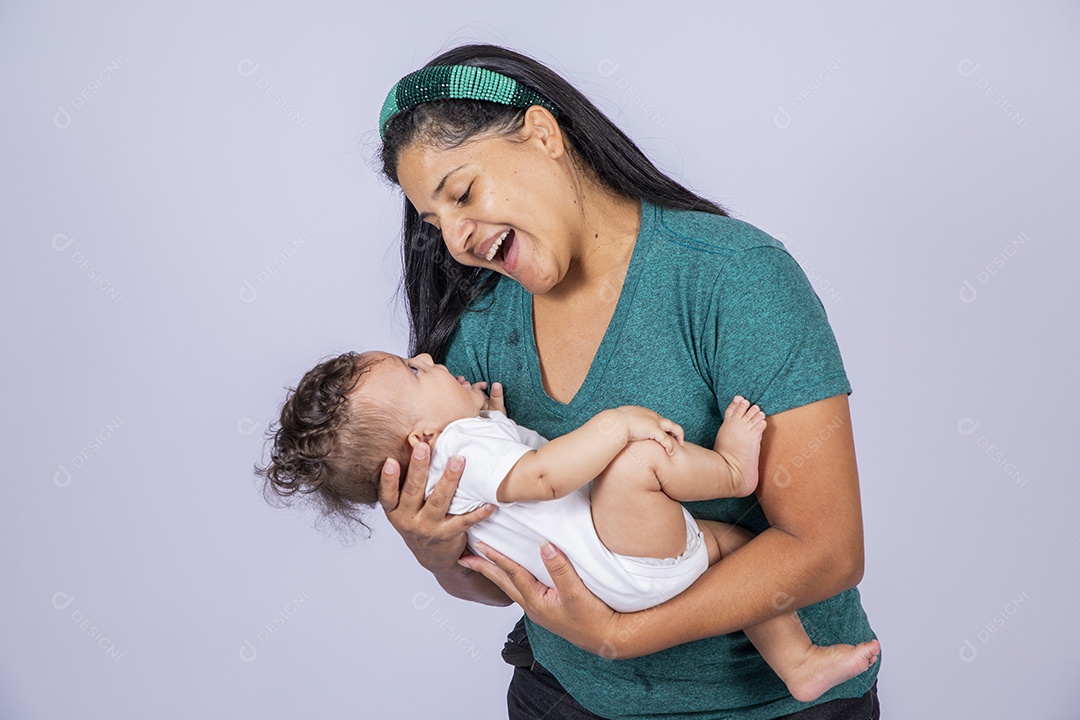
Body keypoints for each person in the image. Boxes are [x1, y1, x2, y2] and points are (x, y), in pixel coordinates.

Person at [374, 46, 881, 719]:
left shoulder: (732, 278)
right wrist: (437, 554)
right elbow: (514, 569)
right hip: (563, 698)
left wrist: (623, 637)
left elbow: (827, 552)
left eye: (463, 193)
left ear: (543, 134)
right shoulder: (479, 334)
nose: (458, 240)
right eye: (435, 225)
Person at [258, 349, 881, 704]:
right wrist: (614, 425)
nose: (427, 356)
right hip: (620, 556)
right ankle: (731, 468)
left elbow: (510, 513)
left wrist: (491, 417)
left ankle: (798, 663)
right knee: (637, 463)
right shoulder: (461, 445)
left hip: (600, 583)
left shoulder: (452, 467)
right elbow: (542, 481)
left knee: (740, 552)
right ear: (422, 438)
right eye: (417, 372)